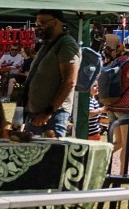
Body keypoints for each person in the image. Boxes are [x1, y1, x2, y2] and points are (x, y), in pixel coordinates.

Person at [15, 10, 80, 138]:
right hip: (35, 114)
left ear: (56, 22)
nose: (38, 26)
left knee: (52, 156)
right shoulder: (47, 44)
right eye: (37, 23)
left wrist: (49, 112)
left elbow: (69, 81)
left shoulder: (66, 44)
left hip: (53, 116)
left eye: (42, 22)